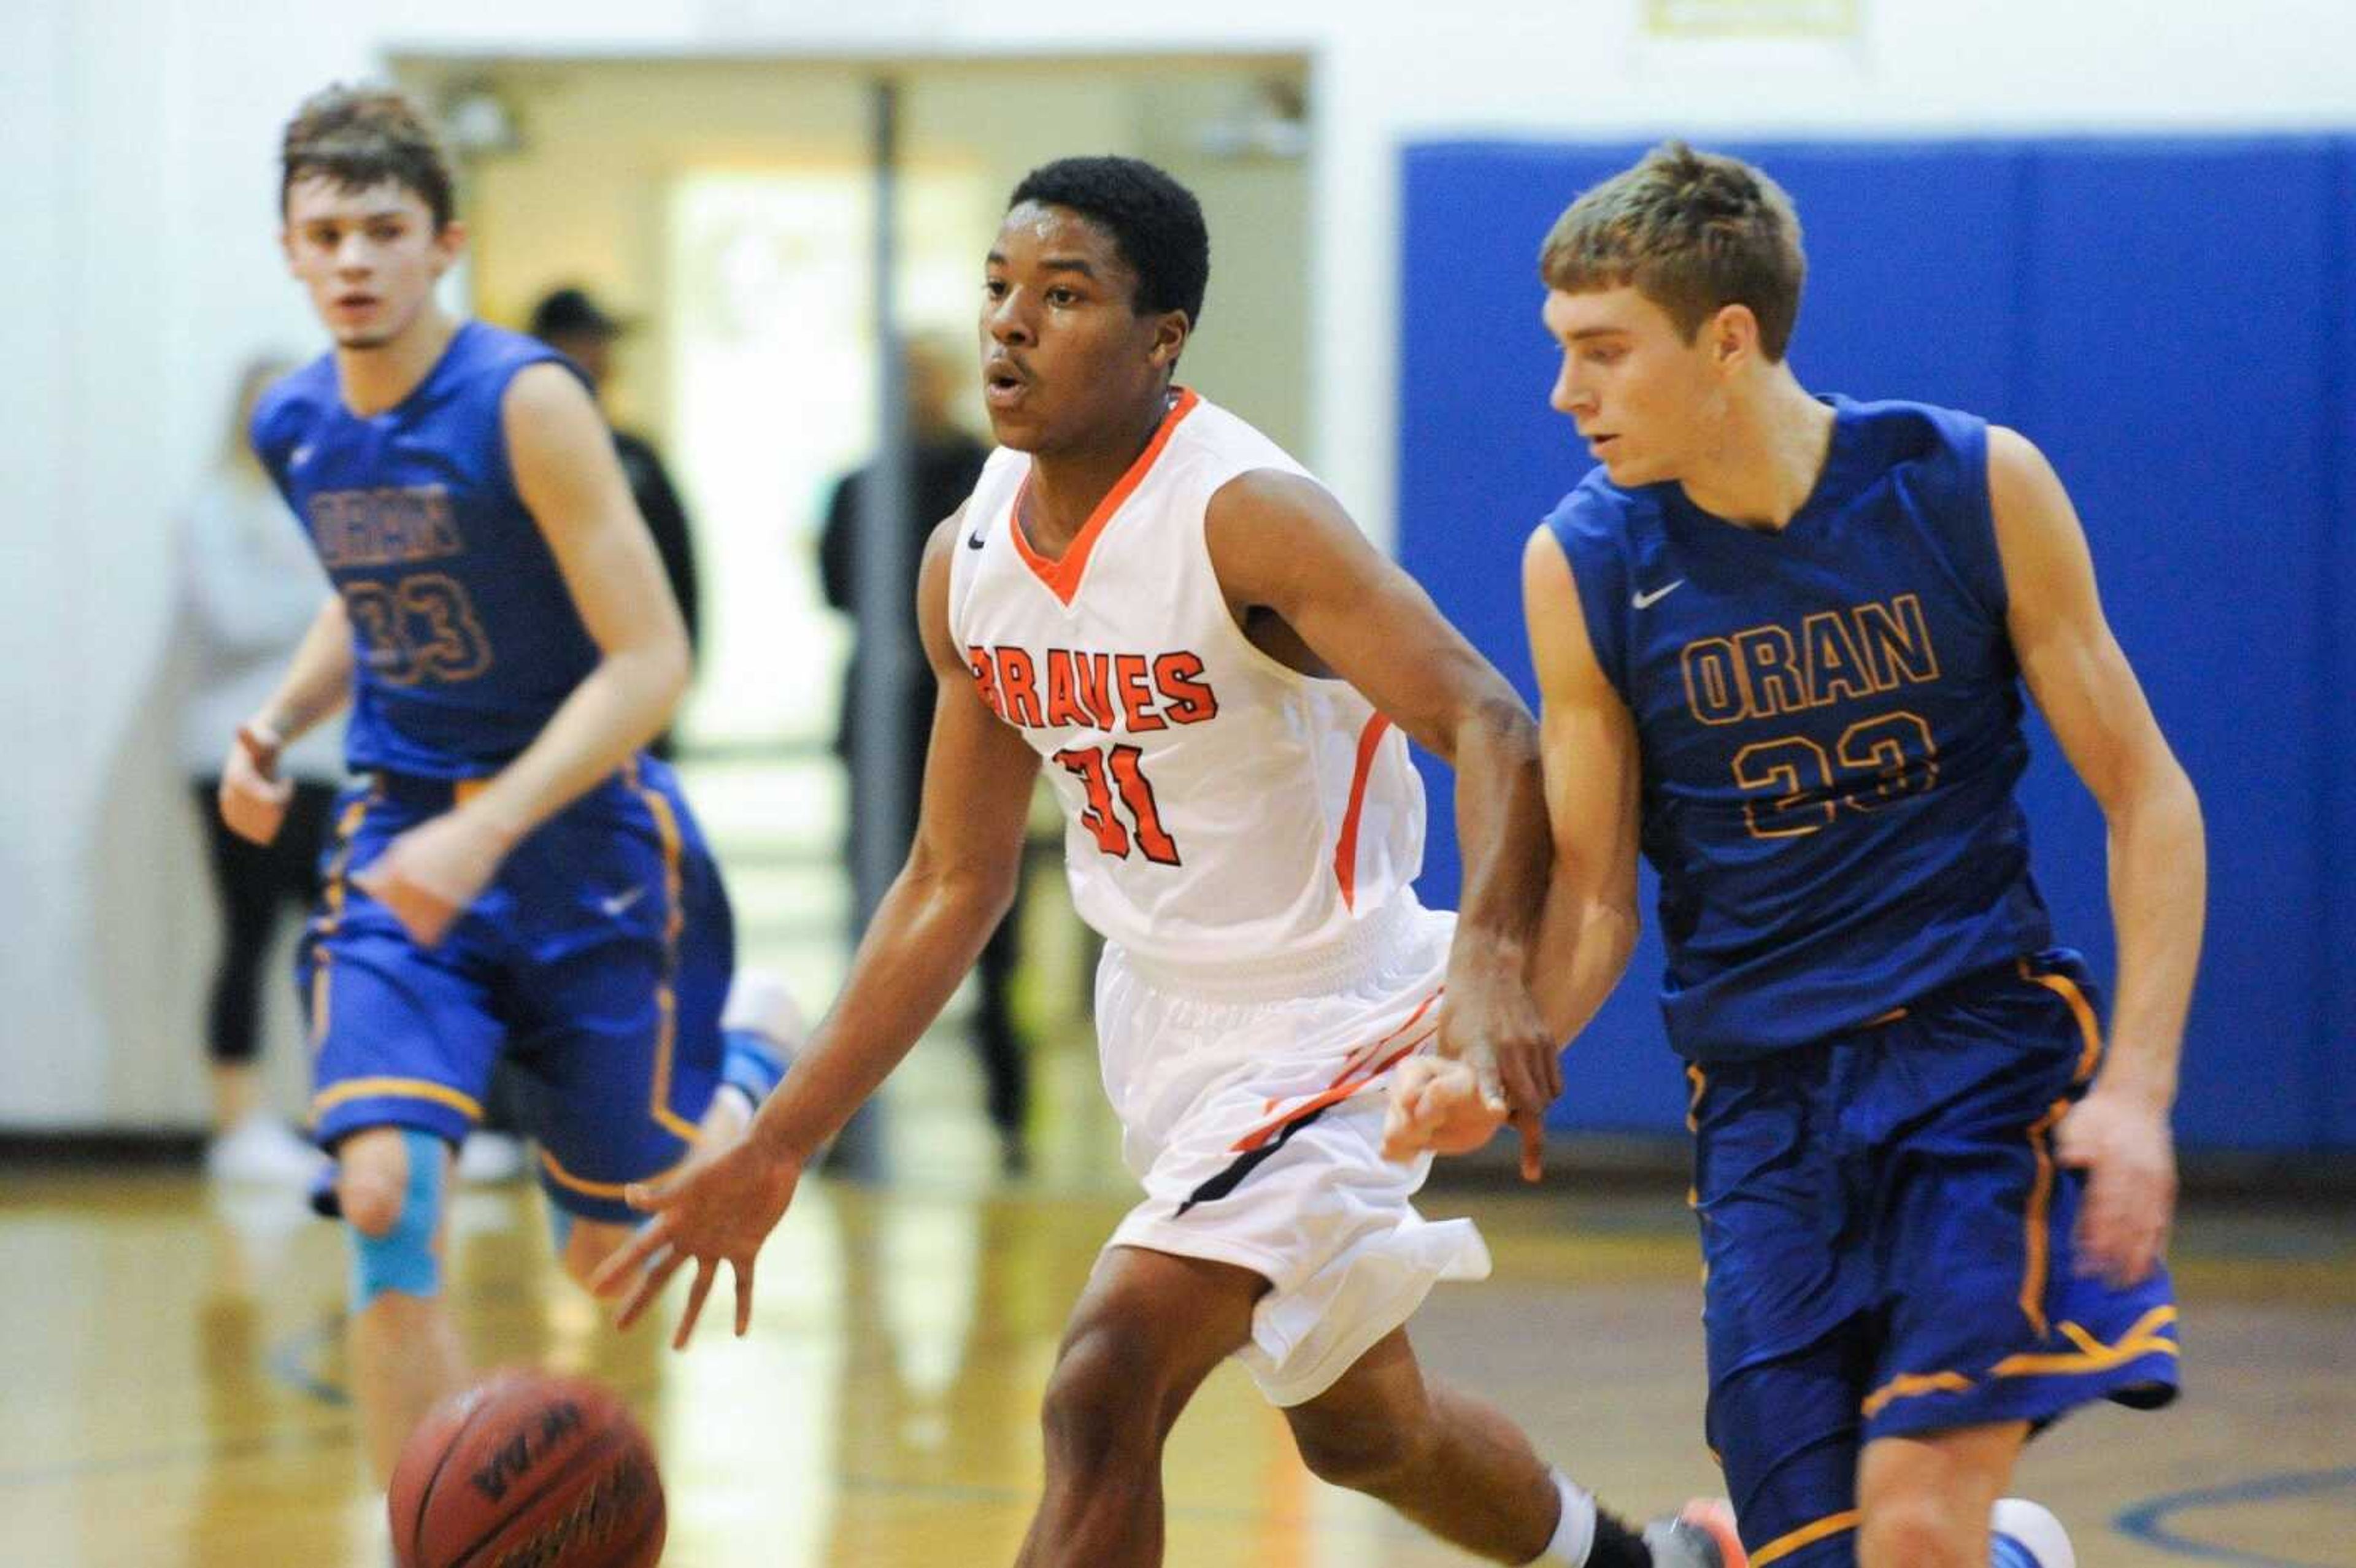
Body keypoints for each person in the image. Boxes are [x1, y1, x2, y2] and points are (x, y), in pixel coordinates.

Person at [595, 156, 1739, 1568]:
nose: (1010, 326)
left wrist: (1487, 964)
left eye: (1062, 296)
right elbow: (954, 881)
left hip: (1332, 1015)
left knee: (1103, 1377)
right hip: (1162, 1023)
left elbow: (1486, 721)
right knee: (1362, 1429)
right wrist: (776, 1146)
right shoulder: (966, 559)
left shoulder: (1245, 514)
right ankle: (1650, 1565)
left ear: (1161, 337)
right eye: (999, 291)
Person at [1387, 142, 2201, 1568]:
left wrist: (2132, 1094)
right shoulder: (1580, 562)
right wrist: (1488, 1065)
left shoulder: (1963, 485)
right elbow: (1593, 896)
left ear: (1726, 340)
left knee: (1911, 1529)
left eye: (1600, 352)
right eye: (1559, 351)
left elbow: (2147, 796)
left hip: (1974, 1066)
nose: (1564, 394)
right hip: (1763, 1111)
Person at [221, 83, 790, 1486]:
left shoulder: (525, 400)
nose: (353, 258)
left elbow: (653, 661)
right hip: (403, 838)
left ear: (443, 243)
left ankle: (752, 1061)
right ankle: (433, 1530)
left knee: (612, 1259)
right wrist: (280, 719)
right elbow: (371, 589)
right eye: (326, 232)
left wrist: (491, 824)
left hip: (583, 845)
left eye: (383, 229)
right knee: (380, 1195)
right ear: (290, 249)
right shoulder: (297, 424)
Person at [818, 335, 1031, 1174]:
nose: (913, 391)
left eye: (926, 374)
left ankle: (1009, 1111)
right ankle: (843, 1118)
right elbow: (841, 589)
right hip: (880, 729)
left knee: (989, 916)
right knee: (874, 915)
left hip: (980, 719)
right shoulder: (859, 487)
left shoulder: (997, 482)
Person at [178, 354, 341, 1185]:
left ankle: (347, 1118)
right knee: (249, 929)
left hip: (328, 760)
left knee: (335, 941)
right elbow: (234, 618)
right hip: (236, 751)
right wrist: (328, 597)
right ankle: (237, 1125)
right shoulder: (218, 509)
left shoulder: (337, 507)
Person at [526, 283, 702, 758]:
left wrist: (678, 670)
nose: (600, 357)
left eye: (601, 343)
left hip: (634, 685)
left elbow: (680, 569)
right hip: (546, 698)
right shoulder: (511, 457)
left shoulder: (635, 457)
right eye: (585, 342)